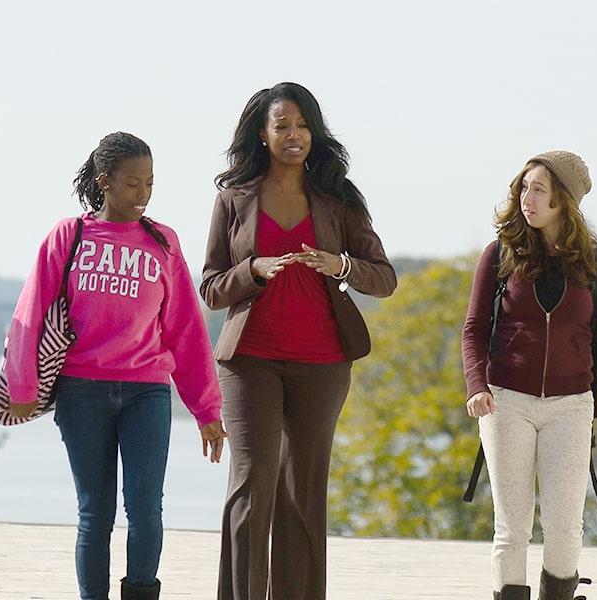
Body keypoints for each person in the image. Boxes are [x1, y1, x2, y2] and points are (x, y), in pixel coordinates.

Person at [5, 132, 227, 600]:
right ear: (105, 182)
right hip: (81, 391)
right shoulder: (69, 236)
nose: (143, 194)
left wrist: (207, 410)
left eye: (149, 183)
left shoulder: (164, 242)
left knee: (146, 509)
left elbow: (186, 329)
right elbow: (30, 312)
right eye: (132, 184)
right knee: (95, 513)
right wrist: (22, 386)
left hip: (146, 391)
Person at [200, 82, 396, 600]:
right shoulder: (234, 198)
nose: (294, 135)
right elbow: (211, 287)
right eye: (282, 125)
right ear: (262, 135)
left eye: (303, 125)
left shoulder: (339, 200)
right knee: (251, 487)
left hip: (323, 362)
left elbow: (384, 276)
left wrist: (342, 265)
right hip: (249, 362)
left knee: (301, 495)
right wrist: (254, 269)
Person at [459, 150, 597, 600]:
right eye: (524, 187)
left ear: (564, 199)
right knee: (513, 525)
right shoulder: (500, 254)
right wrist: (477, 385)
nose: (528, 198)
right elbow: (473, 330)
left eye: (539, 189)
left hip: (571, 406)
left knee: (564, 526)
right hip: (507, 402)